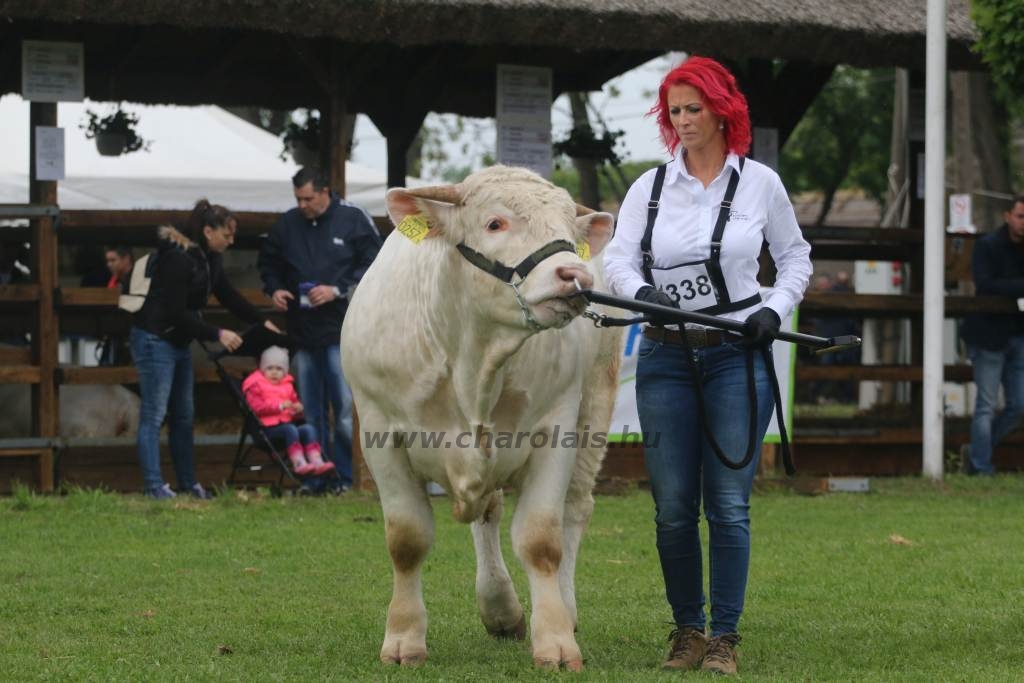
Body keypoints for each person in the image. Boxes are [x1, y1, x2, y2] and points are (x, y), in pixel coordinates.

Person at [603, 56, 811, 675]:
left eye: (695, 108)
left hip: (737, 357)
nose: (685, 121)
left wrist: (774, 307)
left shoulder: (761, 184)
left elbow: (795, 257)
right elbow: (619, 257)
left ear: (723, 110)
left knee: (728, 503)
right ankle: (686, 629)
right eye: (675, 112)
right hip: (665, 357)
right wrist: (640, 293)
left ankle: (724, 636)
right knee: (671, 506)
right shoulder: (649, 187)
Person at [130, 199, 275, 500]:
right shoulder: (178, 258)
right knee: (154, 415)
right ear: (208, 231)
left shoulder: (210, 259)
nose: (231, 241)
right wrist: (217, 333)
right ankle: (154, 485)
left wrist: (261, 322)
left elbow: (229, 296)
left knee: (184, 415)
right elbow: (175, 312)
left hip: (178, 342)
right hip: (156, 338)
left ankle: (187, 483)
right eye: (227, 235)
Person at [258, 167, 382, 493]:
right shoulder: (287, 224)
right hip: (302, 333)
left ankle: (346, 477)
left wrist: (337, 289)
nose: (302, 205)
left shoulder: (353, 219)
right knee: (310, 412)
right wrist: (275, 289)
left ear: (326, 192)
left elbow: (376, 263)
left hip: (343, 332)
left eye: (308, 198)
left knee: (343, 410)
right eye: (298, 198)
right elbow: (268, 262)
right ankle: (317, 479)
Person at [960, 195, 1024, 475]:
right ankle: (981, 466)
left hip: (1018, 333)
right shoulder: (987, 245)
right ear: (1007, 216)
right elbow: (985, 284)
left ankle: (976, 453)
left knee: (1019, 405)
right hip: (988, 335)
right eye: (1021, 216)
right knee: (985, 404)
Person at [242, 345, 334, 477]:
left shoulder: (287, 386)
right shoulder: (255, 385)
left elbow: (293, 409)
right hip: (267, 429)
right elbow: (256, 408)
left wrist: (297, 409)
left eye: (279, 369)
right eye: (270, 368)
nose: (274, 372)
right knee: (290, 429)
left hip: (288, 426)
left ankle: (316, 461)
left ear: (285, 371)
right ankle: (298, 463)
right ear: (262, 369)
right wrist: (279, 406)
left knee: (308, 429)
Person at [98, 247, 134, 365]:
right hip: (117, 333)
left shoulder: (137, 278)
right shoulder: (115, 280)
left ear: (126, 259)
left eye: (113, 260)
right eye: (107, 261)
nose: (109, 265)